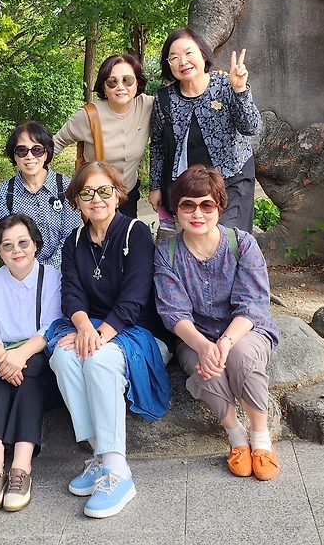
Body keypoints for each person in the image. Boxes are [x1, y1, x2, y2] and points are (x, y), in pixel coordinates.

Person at [47, 161, 171, 519]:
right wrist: (84, 328)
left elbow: (134, 298)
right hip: (94, 327)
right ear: (77, 200)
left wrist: (97, 336)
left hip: (141, 333)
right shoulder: (73, 241)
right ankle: (101, 456)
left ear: (118, 195)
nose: (96, 199)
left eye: (104, 191)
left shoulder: (135, 233)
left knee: (96, 358)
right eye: (87, 193)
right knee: (63, 357)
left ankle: (119, 473)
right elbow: (71, 294)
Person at [154, 164, 280, 480]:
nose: (197, 213)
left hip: (245, 330)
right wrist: (204, 346)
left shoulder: (243, 244)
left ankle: (261, 437)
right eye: (188, 205)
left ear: (219, 207)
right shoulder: (167, 252)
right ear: (176, 208)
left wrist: (224, 343)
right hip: (194, 335)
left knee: (241, 357)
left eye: (206, 205)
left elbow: (253, 304)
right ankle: (236, 436)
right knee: (205, 367)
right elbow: (173, 312)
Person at [0, 214, 64, 513]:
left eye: (23, 242)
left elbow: (52, 327)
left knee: (29, 375)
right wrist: (3, 357)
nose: (17, 250)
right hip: (3, 360)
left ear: (36, 244)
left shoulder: (53, 278)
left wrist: (20, 356)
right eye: (7, 245)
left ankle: (20, 469)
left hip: (40, 363)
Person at [148, 28, 263, 232]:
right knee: (196, 241)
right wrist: (155, 186)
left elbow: (252, 127)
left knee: (227, 239)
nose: (183, 61)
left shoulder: (226, 85)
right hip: (190, 187)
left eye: (189, 53)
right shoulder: (164, 99)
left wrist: (239, 90)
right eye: (174, 57)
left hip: (232, 181)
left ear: (203, 54)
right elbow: (158, 145)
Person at [54, 53, 155, 218]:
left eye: (127, 80)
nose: (120, 87)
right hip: (96, 199)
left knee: (127, 234)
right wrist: (35, 174)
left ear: (137, 82)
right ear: (104, 87)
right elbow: (56, 143)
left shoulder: (148, 106)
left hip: (128, 195)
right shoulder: (88, 116)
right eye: (112, 82)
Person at [0, 121, 82, 269]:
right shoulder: (4, 193)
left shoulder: (66, 187)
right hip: (21, 271)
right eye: (22, 150)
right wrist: (31, 271)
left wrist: (47, 270)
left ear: (46, 153)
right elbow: (5, 240)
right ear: (14, 155)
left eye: (37, 150)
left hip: (63, 269)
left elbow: (70, 236)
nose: (29, 156)